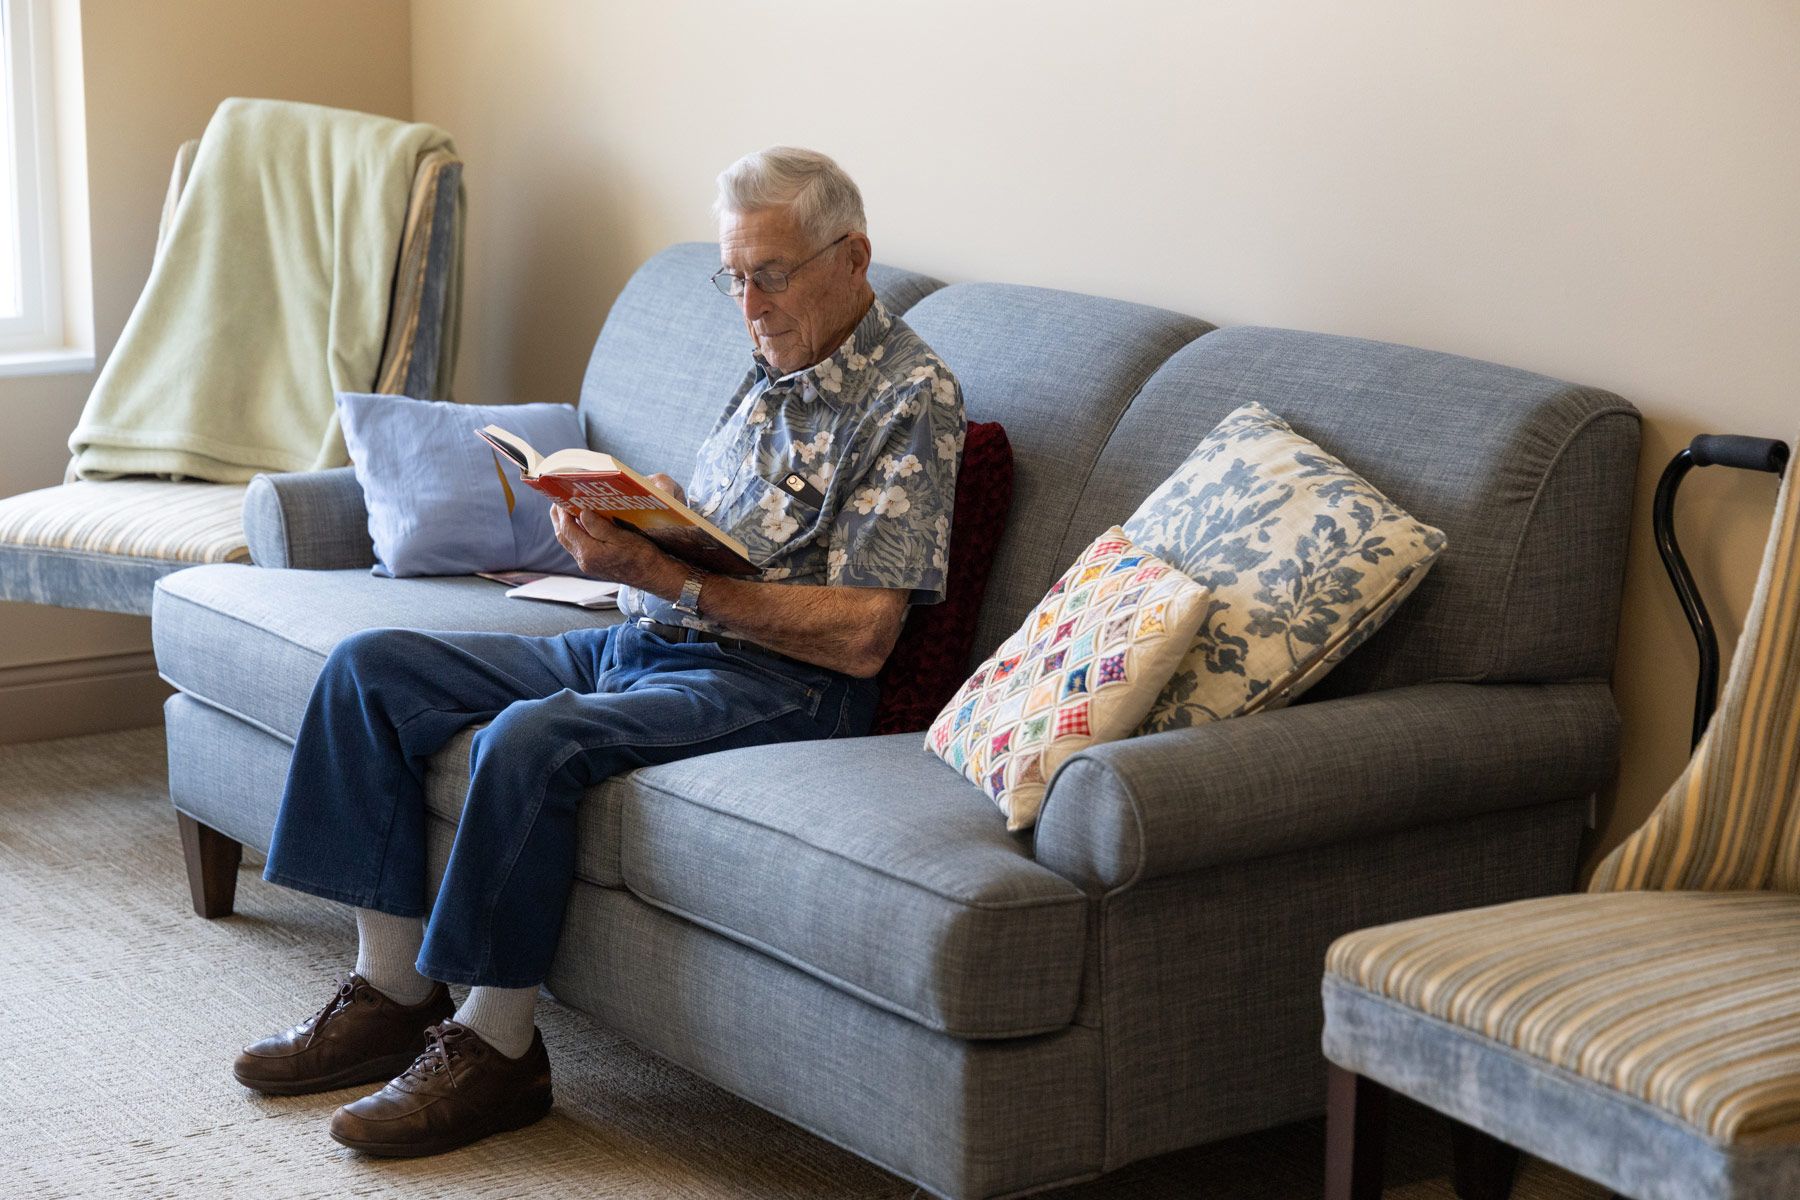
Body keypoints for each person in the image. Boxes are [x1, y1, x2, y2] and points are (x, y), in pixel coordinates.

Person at [233, 146, 966, 1157]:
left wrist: (669, 574)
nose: (749, 302)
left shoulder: (910, 396)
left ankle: (497, 1052)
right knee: (372, 668)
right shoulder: (773, 359)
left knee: (533, 740)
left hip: (783, 687)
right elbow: (744, 538)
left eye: (772, 273)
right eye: (736, 275)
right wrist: (643, 524)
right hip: (647, 640)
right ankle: (394, 992)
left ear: (853, 257)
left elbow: (862, 632)